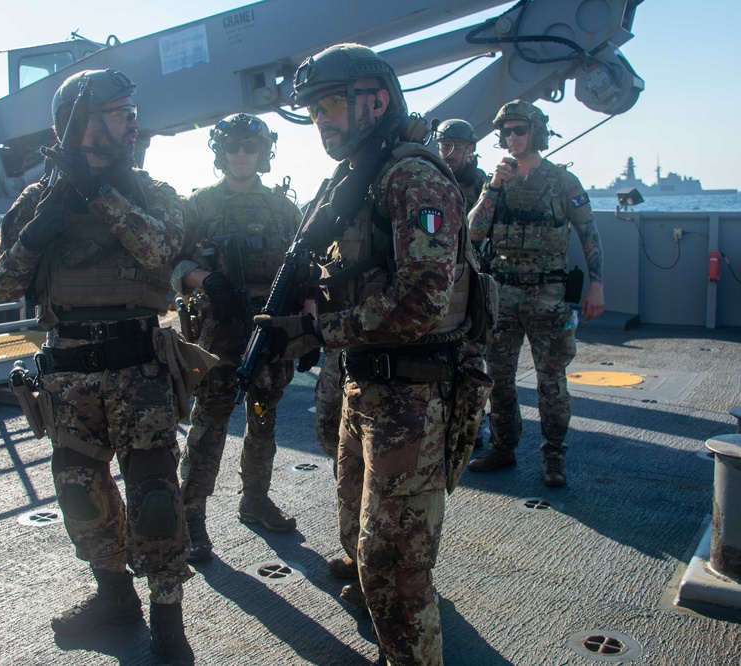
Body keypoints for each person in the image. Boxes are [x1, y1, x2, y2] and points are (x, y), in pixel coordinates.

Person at [258, 43, 489, 666]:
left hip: (412, 397)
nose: (322, 121)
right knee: (361, 540)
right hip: (365, 386)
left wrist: (317, 332)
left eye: (332, 104)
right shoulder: (356, 177)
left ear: (377, 100)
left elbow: (421, 300)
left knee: (397, 569)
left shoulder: (412, 177)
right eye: (315, 111)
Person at [0, 69, 195, 665]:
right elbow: (4, 282)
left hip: (139, 366)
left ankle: (168, 617)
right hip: (68, 371)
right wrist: (43, 223)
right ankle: (114, 596)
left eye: (132, 109)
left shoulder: (149, 190)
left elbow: (161, 248)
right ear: (80, 124)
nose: (133, 119)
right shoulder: (35, 201)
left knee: (154, 494)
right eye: (118, 110)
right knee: (79, 492)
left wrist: (99, 193)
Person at [170, 113, 302, 563]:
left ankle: (255, 498)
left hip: (269, 328)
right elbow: (173, 264)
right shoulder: (199, 205)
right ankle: (192, 517)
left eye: (250, 146)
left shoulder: (285, 209)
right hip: (218, 332)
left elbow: (308, 268)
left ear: (264, 153)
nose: (241, 154)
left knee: (263, 416)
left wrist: (305, 328)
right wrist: (208, 280)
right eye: (233, 147)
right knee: (210, 423)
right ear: (220, 152)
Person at [466, 99, 605, 488]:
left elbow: (589, 234)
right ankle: (503, 447)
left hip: (548, 294)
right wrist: (493, 187)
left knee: (551, 380)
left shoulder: (563, 182)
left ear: (536, 132)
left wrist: (597, 284)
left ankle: (554, 456)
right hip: (504, 293)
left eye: (519, 130)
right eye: (506, 131)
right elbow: (474, 232)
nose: (512, 138)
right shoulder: (495, 182)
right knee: (499, 378)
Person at [436, 119, 492, 449]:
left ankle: (475, 423)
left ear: (472, 150)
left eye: (458, 146)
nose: (450, 152)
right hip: (440, 282)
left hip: (472, 283)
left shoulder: (484, 186)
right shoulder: (431, 179)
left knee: (472, 355)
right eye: (445, 145)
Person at [435, 119, 487, 212]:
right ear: (438, 147)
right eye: (445, 147)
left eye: (458, 148)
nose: (450, 154)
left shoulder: (480, 181)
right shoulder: (429, 177)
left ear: (470, 149)